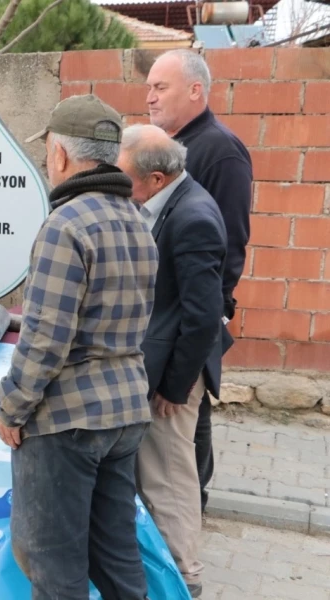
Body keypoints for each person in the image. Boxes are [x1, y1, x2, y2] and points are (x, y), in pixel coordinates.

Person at [0, 95, 158, 600]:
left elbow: (45, 338)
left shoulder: (65, 224)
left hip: (68, 420)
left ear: (60, 155)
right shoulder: (139, 220)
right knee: (116, 558)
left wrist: (11, 407)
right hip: (125, 410)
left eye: (47, 150)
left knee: (53, 566)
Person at [117, 124, 228, 599]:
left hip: (176, 376)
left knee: (168, 476)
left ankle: (186, 577)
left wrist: (174, 387)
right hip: (163, 365)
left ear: (157, 178)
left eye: (127, 179)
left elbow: (204, 318)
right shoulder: (169, 202)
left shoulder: (193, 217)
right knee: (158, 473)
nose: (122, 188)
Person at [146, 49, 252, 512]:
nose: (149, 96)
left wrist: (210, 311)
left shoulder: (219, 150)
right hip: (164, 315)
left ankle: (192, 515)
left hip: (193, 312)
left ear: (196, 90)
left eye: (160, 87)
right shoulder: (165, 145)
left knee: (186, 416)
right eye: (148, 86)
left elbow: (229, 242)